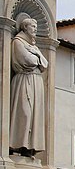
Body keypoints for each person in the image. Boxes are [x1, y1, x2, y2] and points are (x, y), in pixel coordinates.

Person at [9, 14, 47, 157]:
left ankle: (29, 147)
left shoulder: (34, 47)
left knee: (34, 116)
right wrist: (37, 58)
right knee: (24, 112)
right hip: (24, 80)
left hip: (36, 82)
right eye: (33, 26)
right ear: (25, 27)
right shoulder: (18, 42)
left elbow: (45, 64)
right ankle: (17, 145)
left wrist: (37, 54)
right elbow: (27, 60)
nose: (35, 29)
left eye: (37, 27)